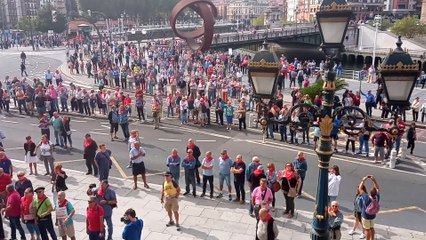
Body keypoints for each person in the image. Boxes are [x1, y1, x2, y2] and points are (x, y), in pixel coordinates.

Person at [358, 175, 380, 240]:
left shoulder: (366, 197)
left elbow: (360, 188)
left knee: (367, 230)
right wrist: (374, 180)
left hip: (366, 216)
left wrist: (363, 180)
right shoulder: (377, 197)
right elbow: (378, 188)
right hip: (373, 215)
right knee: (372, 228)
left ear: (370, 193)